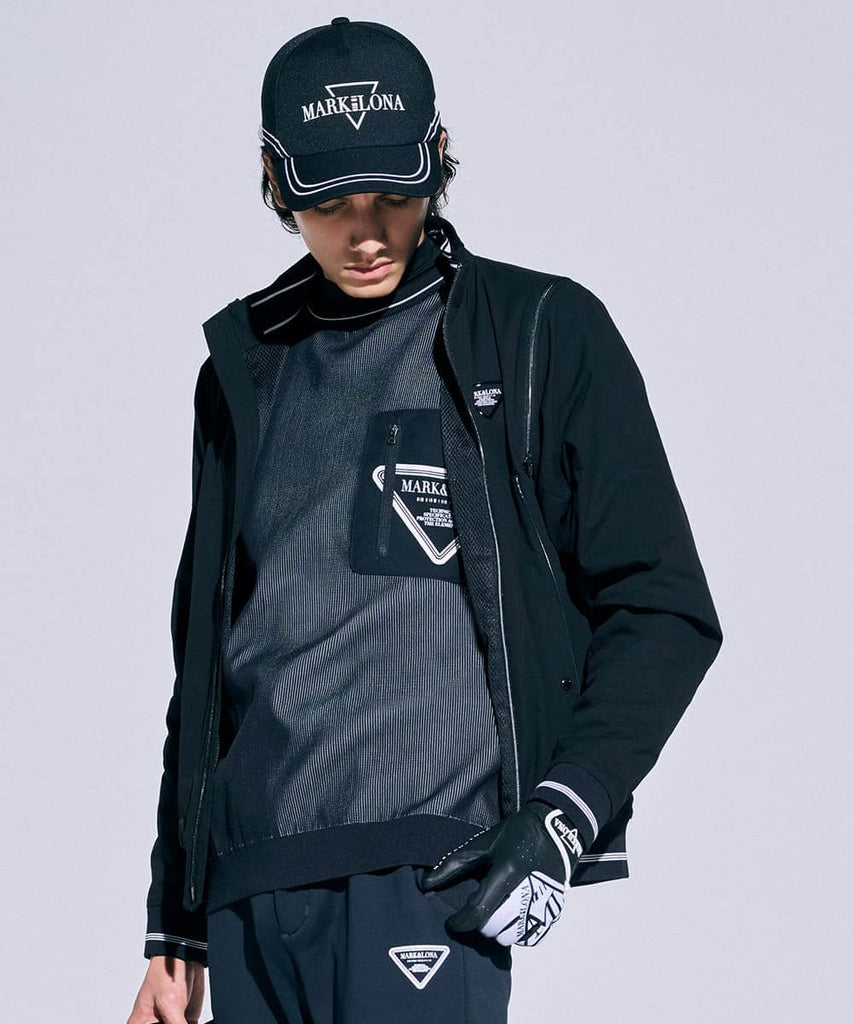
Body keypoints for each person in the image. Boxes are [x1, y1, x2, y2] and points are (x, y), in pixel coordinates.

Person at [126, 16, 723, 1024]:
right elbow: (208, 668)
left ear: (440, 160)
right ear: (274, 182)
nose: (366, 233)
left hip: (426, 872)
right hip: (248, 890)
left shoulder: (537, 331)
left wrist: (563, 813)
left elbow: (662, 606)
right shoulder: (241, 371)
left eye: (394, 197)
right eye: (331, 204)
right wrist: (175, 927)